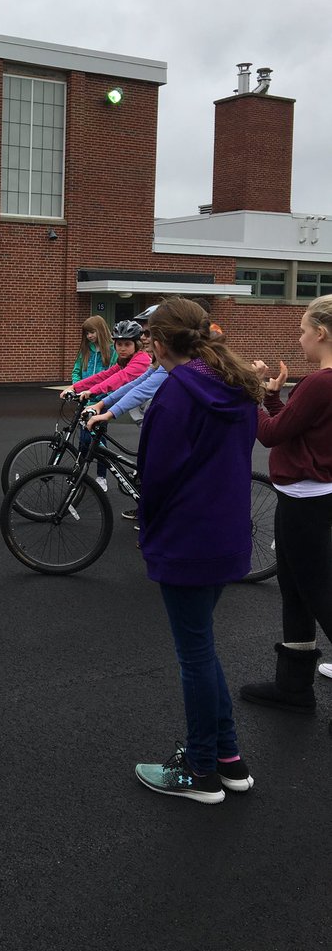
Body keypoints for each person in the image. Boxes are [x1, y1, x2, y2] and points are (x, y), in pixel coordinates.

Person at [132, 297, 263, 803]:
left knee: (195, 655)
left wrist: (150, 531)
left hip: (186, 540)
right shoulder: (237, 387)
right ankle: (226, 759)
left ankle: (201, 769)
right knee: (202, 649)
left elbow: (157, 478)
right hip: (226, 535)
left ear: (161, 343)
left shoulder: (175, 395)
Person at [240, 294, 332, 725]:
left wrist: (253, 397)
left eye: (301, 330)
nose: (299, 340)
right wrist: (274, 398)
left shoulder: (321, 382)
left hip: (307, 503)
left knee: (317, 594)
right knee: (296, 590)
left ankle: (294, 688)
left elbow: (273, 435)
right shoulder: (320, 385)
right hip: (309, 497)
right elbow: (298, 429)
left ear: (322, 332)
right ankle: (293, 687)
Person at [61, 320, 150, 491]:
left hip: (156, 413)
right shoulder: (125, 361)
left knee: (151, 461)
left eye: (127, 344)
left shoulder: (141, 361)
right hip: (145, 413)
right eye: (119, 344)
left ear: (137, 345)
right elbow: (105, 375)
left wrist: (92, 393)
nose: (122, 348)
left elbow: (119, 379)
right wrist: (76, 387)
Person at [71, 316, 115, 383]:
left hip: (104, 392)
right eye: (87, 333)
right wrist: (77, 386)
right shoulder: (85, 349)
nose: (89, 336)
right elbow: (76, 371)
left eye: (92, 332)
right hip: (83, 391)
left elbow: (115, 375)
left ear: (101, 330)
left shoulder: (113, 350)